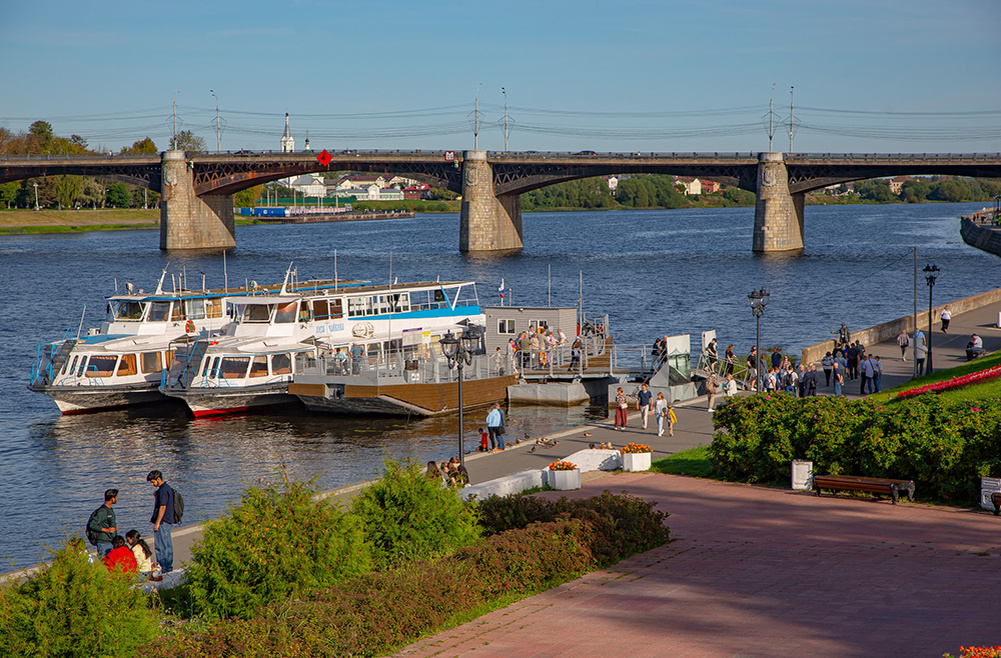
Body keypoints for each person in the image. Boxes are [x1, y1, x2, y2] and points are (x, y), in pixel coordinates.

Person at [146, 470, 175, 574]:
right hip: (168, 520)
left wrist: (157, 523)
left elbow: (162, 507)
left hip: (162, 521)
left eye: (153, 482)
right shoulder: (166, 488)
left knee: (160, 546)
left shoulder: (162, 490)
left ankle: (163, 568)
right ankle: (168, 567)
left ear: (159, 479)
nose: (152, 484)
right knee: (167, 544)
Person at [87, 488, 119, 558]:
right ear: (112, 499)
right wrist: (107, 530)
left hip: (110, 541)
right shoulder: (103, 511)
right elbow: (92, 525)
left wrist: (114, 528)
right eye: (116, 497)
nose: (117, 498)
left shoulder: (109, 510)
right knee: (105, 564)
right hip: (104, 543)